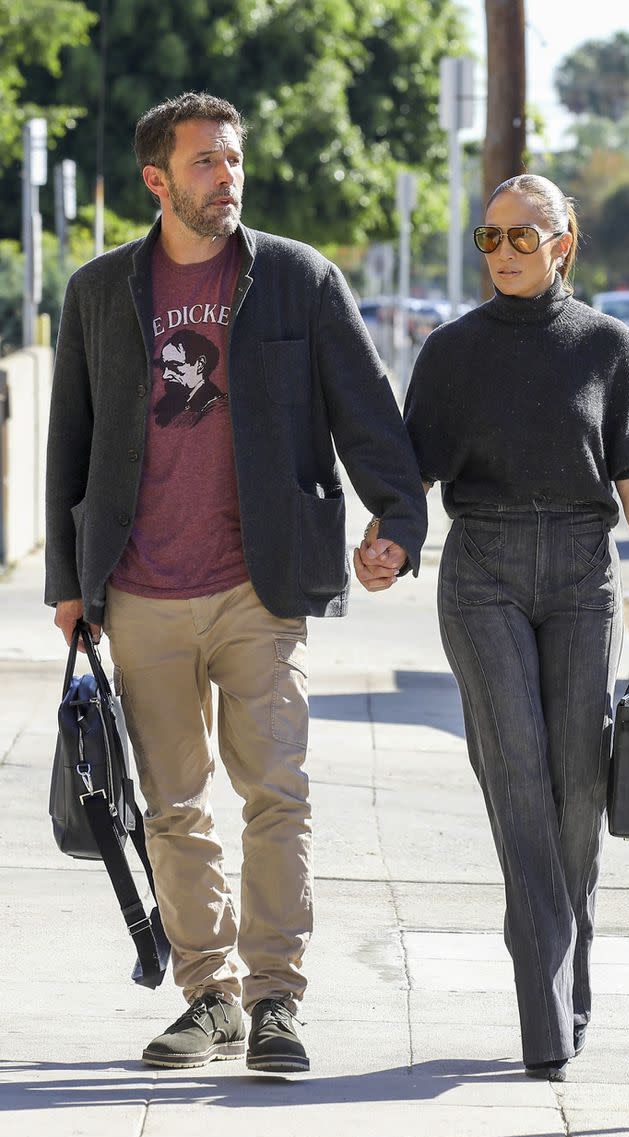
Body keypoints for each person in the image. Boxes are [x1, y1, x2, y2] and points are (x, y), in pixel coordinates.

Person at [45, 92, 426, 1073]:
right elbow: (70, 445)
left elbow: (367, 413)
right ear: (156, 179)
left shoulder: (297, 279)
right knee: (173, 805)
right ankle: (206, 993)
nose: (226, 176)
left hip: (262, 585)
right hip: (138, 588)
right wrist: (68, 580)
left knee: (276, 794)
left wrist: (399, 520)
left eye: (232, 160)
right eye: (206, 161)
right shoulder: (99, 291)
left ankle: (275, 1000)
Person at [362, 173, 629, 1081]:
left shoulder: (606, 345)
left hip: (584, 571)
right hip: (484, 573)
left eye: (522, 236)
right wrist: (385, 543)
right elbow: (410, 477)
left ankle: (569, 967)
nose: (504, 251)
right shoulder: (451, 351)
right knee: (517, 775)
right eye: (490, 237)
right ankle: (545, 1013)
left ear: (563, 242)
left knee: (578, 787)